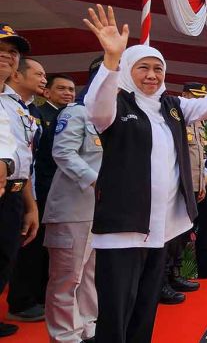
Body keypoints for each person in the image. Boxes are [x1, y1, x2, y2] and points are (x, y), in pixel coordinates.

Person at [82, 4, 207, 343]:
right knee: (116, 313)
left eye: (158, 69)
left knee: (146, 307)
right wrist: (112, 60)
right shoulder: (117, 105)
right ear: (129, 71)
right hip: (122, 230)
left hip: (161, 228)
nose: (151, 75)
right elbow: (95, 108)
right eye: (142, 67)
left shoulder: (172, 106)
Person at [42, 57, 103, 343]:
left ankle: (88, 326)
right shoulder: (76, 112)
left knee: (89, 274)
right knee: (67, 277)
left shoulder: (110, 117)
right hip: (72, 207)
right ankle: (65, 335)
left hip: (100, 210)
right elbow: (63, 152)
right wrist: (96, 180)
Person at [0, 24, 40, 338]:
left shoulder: (15, 106)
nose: (7, 56)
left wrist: (30, 205)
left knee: (4, 260)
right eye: (1, 49)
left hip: (12, 194)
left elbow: (22, 158)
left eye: (13, 52)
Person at [5, 58, 52, 322]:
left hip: (21, 190)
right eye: (39, 74)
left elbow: (27, 161)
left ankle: (22, 301)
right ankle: (20, 301)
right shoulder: (5, 104)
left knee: (13, 252)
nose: (43, 79)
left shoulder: (26, 110)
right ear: (17, 76)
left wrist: (31, 203)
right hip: (6, 188)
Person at [160, 82, 207, 305]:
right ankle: (163, 281)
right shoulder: (173, 117)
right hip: (177, 187)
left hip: (192, 188)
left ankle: (176, 275)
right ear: (184, 95)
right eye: (195, 96)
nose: (199, 101)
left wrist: (201, 185)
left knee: (182, 236)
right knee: (170, 236)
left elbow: (198, 161)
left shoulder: (198, 123)